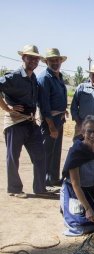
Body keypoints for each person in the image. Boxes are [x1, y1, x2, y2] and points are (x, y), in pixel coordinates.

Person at [0, 45, 54, 198]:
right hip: (15, 122)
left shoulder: (33, 78)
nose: (34, 61)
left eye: (36, 58)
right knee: (13, 156)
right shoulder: (13, 76)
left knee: (40, 155)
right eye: (30, 57)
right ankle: (15, 189)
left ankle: (40, 188)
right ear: (23, 57)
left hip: (30, 122)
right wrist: (7, 107)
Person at [60, 115, 94, 236]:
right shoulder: (76, 151)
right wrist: (87, 208)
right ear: (83, 132)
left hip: (91, 190)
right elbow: (75, 184)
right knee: (80, 226)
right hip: (74, 192)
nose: (92, 135)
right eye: (89, 131)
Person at [38, 48, 68, 187]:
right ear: (47, 62)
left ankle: (53, 178)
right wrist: (51, 126)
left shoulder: (59, 76)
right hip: (50, 121)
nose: (55, 62)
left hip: (59, 119)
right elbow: (44, 105)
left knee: (56, 151)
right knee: (46, 152)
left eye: (57, 60)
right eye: (52, 60)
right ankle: (43, 182)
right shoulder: (44, 78)